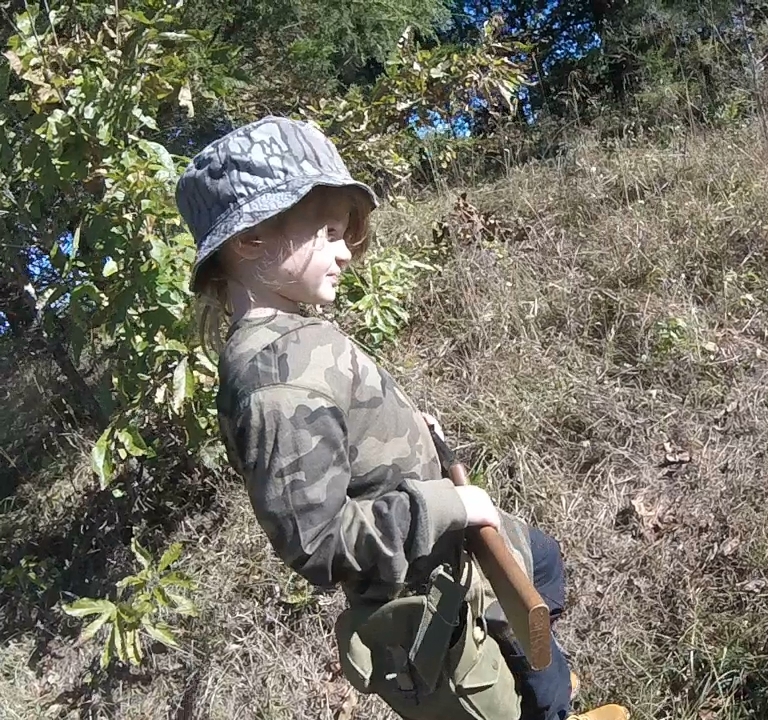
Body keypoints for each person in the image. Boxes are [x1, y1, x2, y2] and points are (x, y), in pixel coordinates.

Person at [175, 115, 627, 720]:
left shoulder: (292, 333)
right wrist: (445, 506)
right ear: (251, 240)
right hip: (426, 576)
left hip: (457, 548)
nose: (345, 251)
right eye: (327, 233)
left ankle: (551, 687)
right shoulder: (274, 381)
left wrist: (409, 425)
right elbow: (318, 542)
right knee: (525, 688)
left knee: (539, 568)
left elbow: (343, 423)